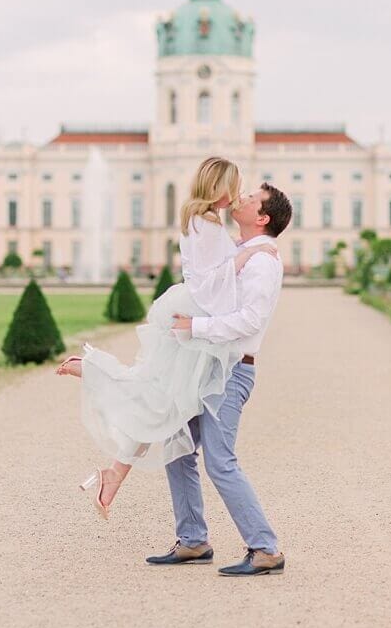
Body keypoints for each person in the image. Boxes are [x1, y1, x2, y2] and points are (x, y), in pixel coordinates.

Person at [56, 157, 277, 517]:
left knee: (162, 405)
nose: (239, 195)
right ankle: (94, 370)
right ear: (219, 187)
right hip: (195, 314)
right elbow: (211, 280)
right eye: (236, 187)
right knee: (158, 400)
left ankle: (113, 476)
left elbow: (213, 263)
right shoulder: (205, 222)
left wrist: (241, 247)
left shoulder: (203, 220)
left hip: (194, 311)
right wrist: (249, 252)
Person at [151, 181, 291, 577]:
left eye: (250, 199)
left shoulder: (262, 261)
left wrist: (193, 326)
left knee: (220, 460)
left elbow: (250, 319)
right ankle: (193, 540)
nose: (241, 198)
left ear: (262, 217)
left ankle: (265, 548)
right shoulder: (243, 251)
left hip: (232, 371)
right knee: (177, 447)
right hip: (211, 366)